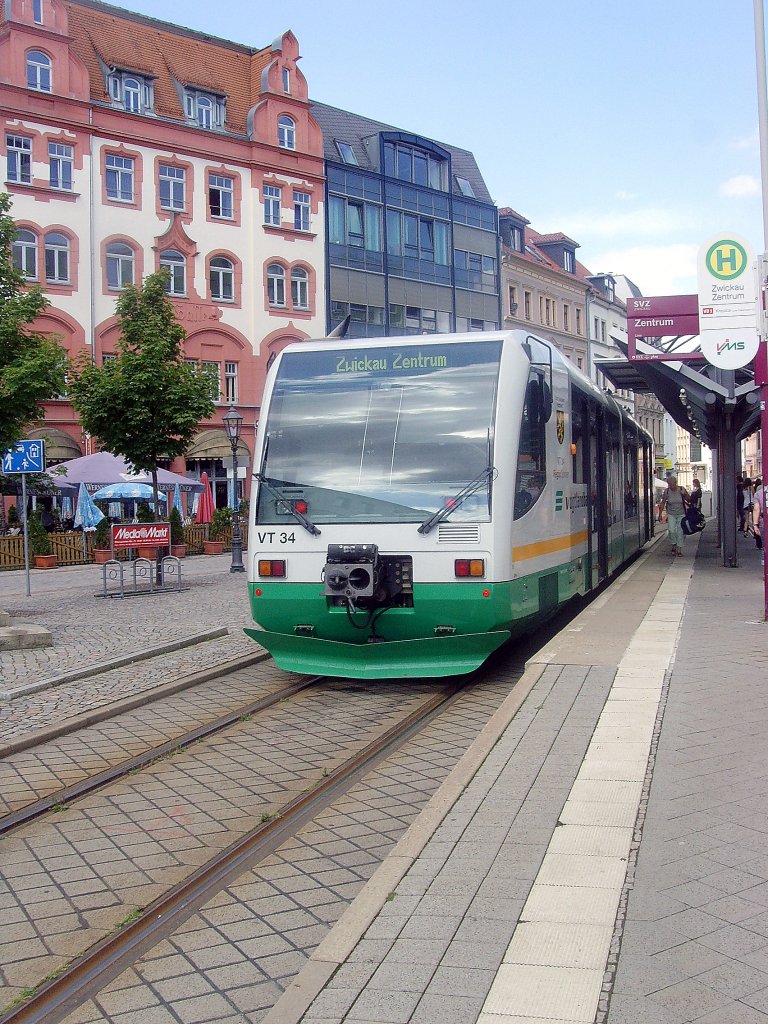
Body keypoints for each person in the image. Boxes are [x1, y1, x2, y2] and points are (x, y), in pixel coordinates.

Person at [658, 475, 689, 556]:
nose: (671, 486)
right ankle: (673, 544)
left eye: (672, 485)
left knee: (680, 531)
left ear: (676, 483)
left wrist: (684, 494)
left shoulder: (681, 489)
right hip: (671, 514)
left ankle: (679, 549)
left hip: (681, 514)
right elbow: (663, 502)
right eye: (669, 485)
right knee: (671, 530)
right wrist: (660, 514)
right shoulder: (667, 491)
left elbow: (689, 499)